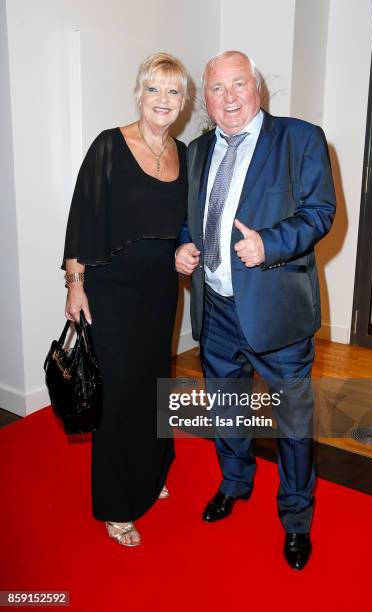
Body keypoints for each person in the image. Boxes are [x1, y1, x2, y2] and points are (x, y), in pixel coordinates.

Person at [176, 50, 336, 570]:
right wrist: (184, 246)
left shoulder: (300, 138)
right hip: (217, 308)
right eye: (217, 89)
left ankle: (295, 518)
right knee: (226, 409)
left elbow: (320, 212)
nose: (229, 98)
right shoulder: (198, 151)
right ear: (207, 97)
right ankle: (235, 483)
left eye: (238, 84)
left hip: (278, 312)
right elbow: (193, 215)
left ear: (257, 88)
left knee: (292, 422)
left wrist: (269, 243)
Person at [62, 52, 188, 547]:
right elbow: (82, 216)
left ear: (183, 100)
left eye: (173, 91)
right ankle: (116, 505)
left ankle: (152, 473)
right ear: (140, 92)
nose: (163, 100)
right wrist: (75, 281)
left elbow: (182, 225)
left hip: (160, 290)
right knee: (116, 395)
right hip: (111, 290)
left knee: (153, 385)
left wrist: (186, 250)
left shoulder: (183, 152)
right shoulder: (110, 146)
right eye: (154, 89)